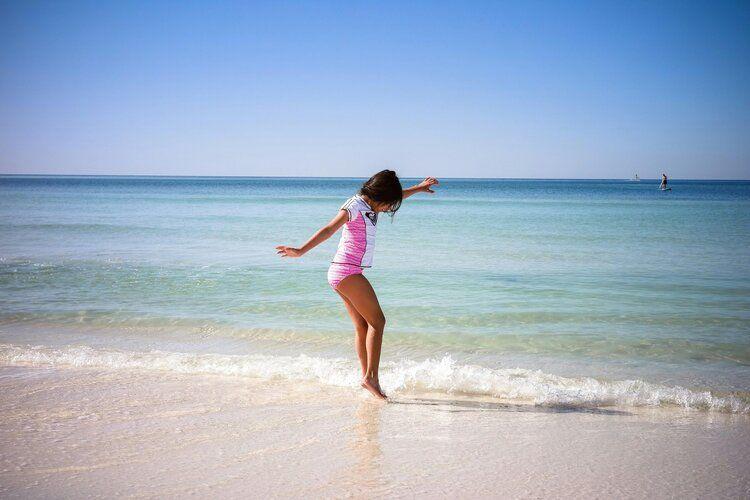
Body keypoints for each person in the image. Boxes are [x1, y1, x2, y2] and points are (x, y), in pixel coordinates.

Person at [276, 170, 439, 399]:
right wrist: (301, 250)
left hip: (343, 272)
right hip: (346, 272)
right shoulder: (354, 205)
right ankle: (371, 377)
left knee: (363, 326)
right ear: (380, 196)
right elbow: (329, 229)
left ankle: (366, 378)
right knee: (378, 322)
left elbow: (397, 194)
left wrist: (419, 188)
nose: (389, 209)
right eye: (389, 204)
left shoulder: (372, 204)